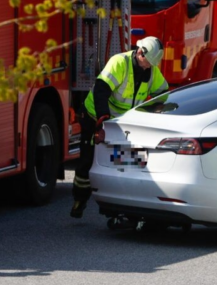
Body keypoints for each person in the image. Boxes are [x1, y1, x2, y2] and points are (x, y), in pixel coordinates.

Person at [70, 37, 169, 218]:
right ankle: (80, 200)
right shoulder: (119, 62)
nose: (149, 67)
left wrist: (150, 113)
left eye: (152, 64)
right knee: (88, 159)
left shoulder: (151, 71)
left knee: (125, 161)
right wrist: (102, 120)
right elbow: (101, 90)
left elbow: (163, 94)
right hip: (95, 116)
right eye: (148, 63)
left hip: (122, 124)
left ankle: (120, 204)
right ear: (140, 52)